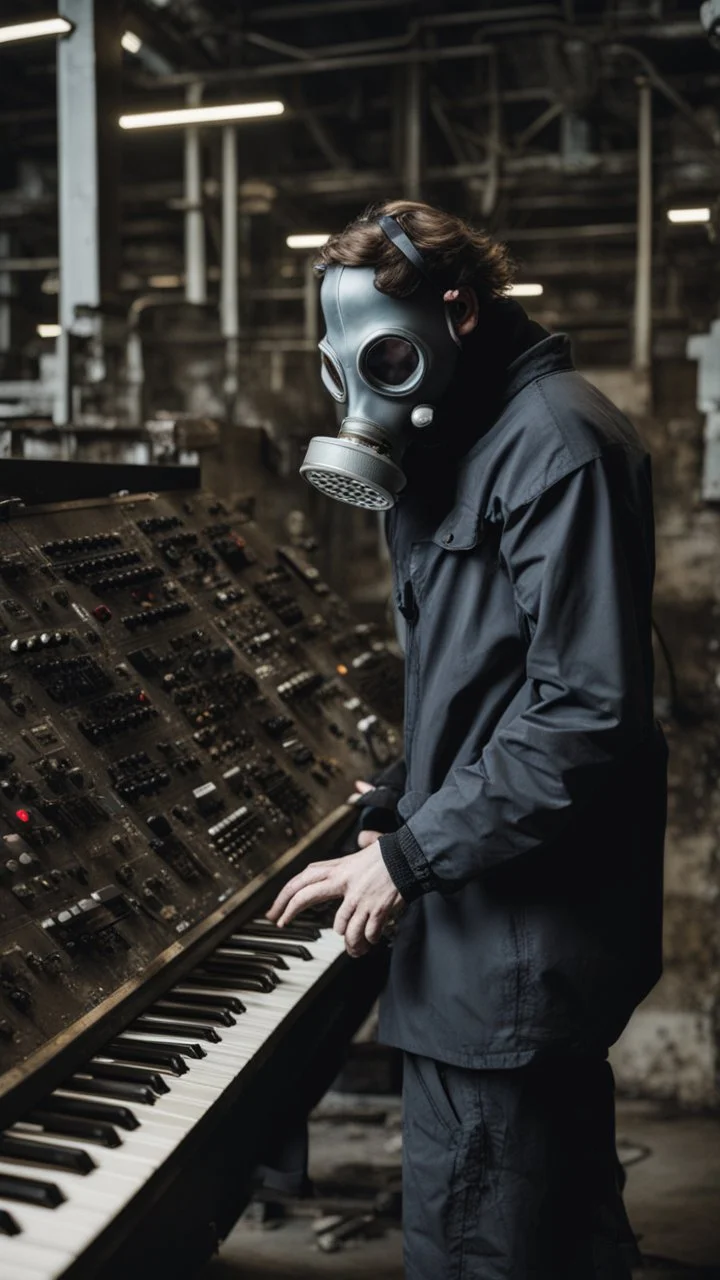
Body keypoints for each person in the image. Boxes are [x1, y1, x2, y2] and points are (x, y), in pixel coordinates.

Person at [267, 199, 667, 1279]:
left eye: (385, 355)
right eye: (340, 361)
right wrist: (407, 785)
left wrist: (408, 856)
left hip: (511, 957)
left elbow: (586, 710)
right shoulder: (476, 440)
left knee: (478, 1242)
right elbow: (489, 678)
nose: (362, 389)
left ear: (462, 310)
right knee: (564, 1240)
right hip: (493, 934)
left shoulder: (556, 445)